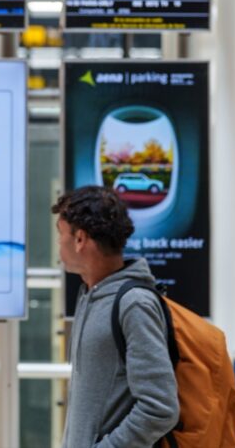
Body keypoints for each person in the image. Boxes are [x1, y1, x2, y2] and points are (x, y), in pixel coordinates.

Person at [55, 185, 179, 448]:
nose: (58, 245)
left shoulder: (134, 305)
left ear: (80, 240)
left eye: (60, 235)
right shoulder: (91, 295)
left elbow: (160, 407)